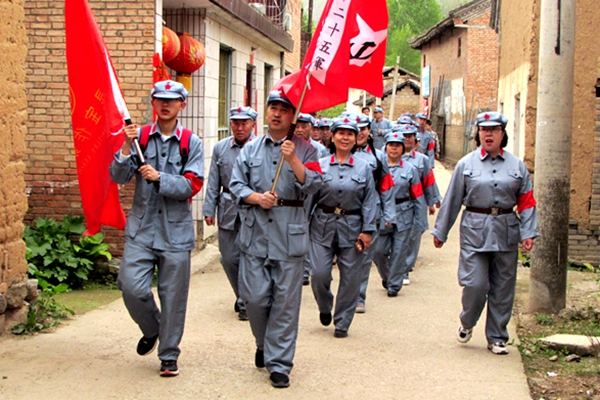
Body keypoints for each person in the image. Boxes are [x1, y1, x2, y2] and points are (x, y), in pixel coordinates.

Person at [109, 80, 204, 377]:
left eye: (171, 100)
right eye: (160, 100)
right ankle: (152, 328)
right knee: (130, 285)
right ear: (154, 104)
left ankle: (168, 355)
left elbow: (193, 184)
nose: (165, 104)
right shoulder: (141, 138)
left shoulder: (191, 141)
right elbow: (118, 176)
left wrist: (159, 177)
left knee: (173, 296)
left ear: (181, 105)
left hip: (175, 232)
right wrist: (126, 146)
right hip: (142, 228)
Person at [229, 90, 323, 388]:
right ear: (266, 112)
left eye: (284, 109)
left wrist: (293, 158)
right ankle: (263, 342)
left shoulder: (308, 149)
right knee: (255, 299)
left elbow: (315, 184)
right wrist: (257, 197)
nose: (277, 113)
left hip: (289, 236)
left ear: (293, 117)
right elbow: (235, 184)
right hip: (256, 234)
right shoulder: (251, 149)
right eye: (273, 108)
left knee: (285, 303)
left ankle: (280, 363)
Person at [431, 111, 539, 355]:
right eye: (484, 130)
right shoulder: (465, 164)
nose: (488, 134)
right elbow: (453, 199)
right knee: (476, 284)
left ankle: (498, 337)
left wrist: (529, 232)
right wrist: (441, 231)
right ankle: (468, 321)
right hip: (475, 231)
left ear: (503, 134)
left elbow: (527, 201)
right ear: (478, 134)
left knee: (503, 287)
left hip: (506, 230)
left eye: (494, 130)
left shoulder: (517, 166)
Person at [309, 116, 377, 338]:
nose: (345, 137)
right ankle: (325, 306)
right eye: (341, 133)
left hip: (352, 228)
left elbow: (370, 201)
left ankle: (342, 321)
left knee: (351, 278)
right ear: (333, 136)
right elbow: (310, 198)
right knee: (319, 274)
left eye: (350, 133)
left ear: (356, 138)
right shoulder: (320, 165)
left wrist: (367, 231)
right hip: (322, 226)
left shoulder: (364, 168)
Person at [203, 106, 257, 321]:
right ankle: (241, 294)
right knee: (229, 258)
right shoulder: (221, 148)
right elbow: (213, 180)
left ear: (253, 124)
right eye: (235, 122)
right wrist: (209, 209)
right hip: (227, 208)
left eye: (244, 123)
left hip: (253, 209)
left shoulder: (259, 147)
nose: (240, 127)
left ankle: (245, 302)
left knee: (248, 257)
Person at [372, 128, 424, 296]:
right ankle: (388, 277)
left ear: (403, 148)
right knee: (378, 250)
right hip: (382, 213)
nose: (394, 149)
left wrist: (420, 220)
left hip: (404, 212)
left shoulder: (410, 170)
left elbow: (417, 196)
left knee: (400, 250)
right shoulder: (377, 167)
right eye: (391, 145)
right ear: (385, 147)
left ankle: (394, 284)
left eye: (397, 146)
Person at [353, 113, 394, 313]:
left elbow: (386, 188)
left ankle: (359, 297)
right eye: (356, 129)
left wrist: (389, 215)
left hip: (371, 214)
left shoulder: (379, 157)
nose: (360, 133)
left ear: (369, 131)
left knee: (364, 258)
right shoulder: (338, 154)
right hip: (344, 215)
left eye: (364, 128)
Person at [399, 116, 442, 285]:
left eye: (410, 136)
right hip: (397, 203)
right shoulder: (391, 157)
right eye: (404, 136)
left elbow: (428, 182)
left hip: (417, 203)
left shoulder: (421, 160)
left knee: (414, 236)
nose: (407, 139)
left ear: (415, 141)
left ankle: (405, 270)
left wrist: (433, 201)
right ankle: (396, 267)